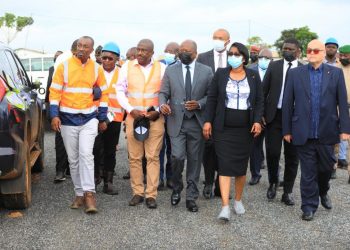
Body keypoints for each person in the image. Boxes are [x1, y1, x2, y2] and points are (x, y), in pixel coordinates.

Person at [282, 39, 350, 221]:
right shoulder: (296, 73)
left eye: (315, 50)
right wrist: (287, 129)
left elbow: (342, 103)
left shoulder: (335, 73)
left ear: (323, 53)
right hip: (303, 131)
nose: (311, 53)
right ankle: (308, 206)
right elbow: (288, 103)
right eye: (309, 50)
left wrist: (345, 129)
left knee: (326, 168)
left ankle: (323, 190)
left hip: (327, 131)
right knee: (308, 171)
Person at [203, 42, 263, 221]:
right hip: (223, 129)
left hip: (245, 130)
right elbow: (212, 99)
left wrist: (258, 121)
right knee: (224, 167)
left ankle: (238, 200)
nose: (233, 57)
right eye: (231, 53)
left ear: (244, 58)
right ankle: (225, 207)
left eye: (236, 54)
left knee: (240, 168)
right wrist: (207, 121)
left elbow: (259, 101)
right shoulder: (221, 74)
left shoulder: (253, 76)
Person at [50, 36, 108, 213]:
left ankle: (90, 195)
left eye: (85, 46)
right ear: (76, 48)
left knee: (86, 155)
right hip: (67, 119)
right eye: (79, 45)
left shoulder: (97, 68)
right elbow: (54, 93)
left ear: (92, 50)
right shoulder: (64, 66)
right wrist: (54, 115)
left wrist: (102, 117)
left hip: (89, 118)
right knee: (73, 160)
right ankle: (79, 194)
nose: (81, 48)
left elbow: (104, 93)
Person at [160, 39, 213, 212]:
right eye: (181, 50)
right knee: (177, 157)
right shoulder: (170, 70)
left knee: (195, 161)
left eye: (187, 51)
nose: (183, 53)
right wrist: (162, 105)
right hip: (176, 122)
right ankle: (176, 187)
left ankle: (191, 196)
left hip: (196, 123)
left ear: (195, 53)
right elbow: (163, 93)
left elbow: (211, 96)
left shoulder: (206, 71)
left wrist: (199, 104)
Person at [116, 39, 166, 209]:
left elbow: (167, 93)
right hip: (133, 117)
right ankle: (137, 192)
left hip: (154, 118)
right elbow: (119, 91)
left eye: (144, 50)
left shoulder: (162, 68)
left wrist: (158, 110)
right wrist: (130, 110)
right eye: (138, 49)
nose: (140, 53)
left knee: (152, 157)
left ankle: (151, 194)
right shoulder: (127, 67)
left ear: (152, 53)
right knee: (135, 157)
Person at [263, 38, 302, 206]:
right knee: (272, 153)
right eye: (285, 48)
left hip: (295, 119)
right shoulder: (274, 66)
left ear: (298, 51)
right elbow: (263, 91)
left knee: (292, 157)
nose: (287, 51)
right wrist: (261, 115)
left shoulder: (304, 69)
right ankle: (273, 182)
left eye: (291, 49)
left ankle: (288, 191)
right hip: (274, 117)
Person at [197, 28, 230, 199]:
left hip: (228, 111)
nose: (217, 40)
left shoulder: (234, 59)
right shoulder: (202, 57)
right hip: (208, 108)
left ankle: (220, 184)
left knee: (225, 149)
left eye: (220, 38)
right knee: (208, 148)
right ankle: (209, 181)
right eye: (214, 37)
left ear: (227, 41)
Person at [93, 42, 124, 195]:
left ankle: (108, 182)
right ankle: (95, 178)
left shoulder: (123, 73)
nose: (106, 61)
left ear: (117, 59)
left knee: (110, 150)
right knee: (95, 148)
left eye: (110, 59)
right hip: (95, 116)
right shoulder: (94, 72)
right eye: (103, 58)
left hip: (115, 118)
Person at [248, 48, 273, 185]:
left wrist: (267, 114)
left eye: (267, 58)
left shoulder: (275, 70)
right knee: (254, 147)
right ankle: (255, 174)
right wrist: (258, 115)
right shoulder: (250, 70)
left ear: (271, 60)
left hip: (272, 116)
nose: (264, 60)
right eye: (261, 57)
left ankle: (273, 176)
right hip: (255, 116)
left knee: (272, 148)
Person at [158, 42, 179, 190]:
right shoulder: (157, 66)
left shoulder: (180, 68)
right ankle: (158, 178)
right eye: (167, 50)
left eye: (172, 51)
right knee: (159, 148)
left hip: (174, 115)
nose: (169, 53)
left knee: (172, 149)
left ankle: (171, 177)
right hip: (159, 112)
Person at [338, 45, 350, 184]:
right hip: (338, 108)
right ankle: (333, 167)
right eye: (341, 55)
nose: (343, 57)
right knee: (336, 139)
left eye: (346, 55)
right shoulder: (335, 67)